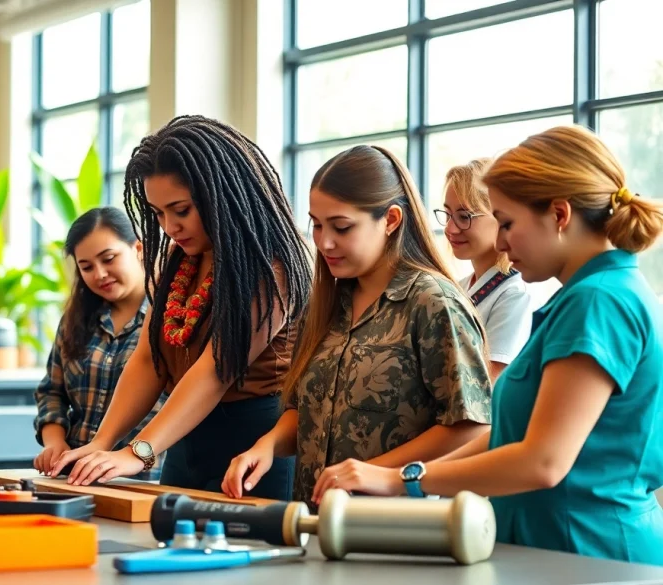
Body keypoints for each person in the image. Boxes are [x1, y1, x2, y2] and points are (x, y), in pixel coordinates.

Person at [312, 125, 663, 566]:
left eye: (507, 223)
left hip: (592, 553)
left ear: (559, 214)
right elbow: (508, 435)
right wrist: (397, 477)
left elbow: (543, 462)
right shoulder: (586, 297)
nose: (499, 242)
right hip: (551, 548)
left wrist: (406, 480)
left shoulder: (599, 301)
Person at [48, 115, 313, 500]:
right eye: (158, 214)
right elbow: (148, 359)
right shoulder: (178, 259)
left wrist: (138, 451)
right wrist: (102, 441)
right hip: (185, 439)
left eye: (181, 210)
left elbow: (214, 371)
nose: (170, 226)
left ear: (220, 193)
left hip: (253, 446)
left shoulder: (269, 265)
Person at [222, 145, 493, 507]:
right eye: (317, 225)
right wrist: (267, 446)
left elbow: (471, 427)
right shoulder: (326, 305)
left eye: (342, 227)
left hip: (396, 526)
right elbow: (303, 410)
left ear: (392, 220)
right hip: (317, 521)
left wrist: (378, 474)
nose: (324, 242)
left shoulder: (432, 302)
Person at [32, 207, 166, 480]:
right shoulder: (76, 319)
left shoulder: (170, 315)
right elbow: (51, 392)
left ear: (138, 249)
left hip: (144, 475)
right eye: (87, 267)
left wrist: (133, 456)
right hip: (74, 474)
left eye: (109, 259)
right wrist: (55, 443)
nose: (100, 274)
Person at [437, 158, 538, 378]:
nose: (450, 228)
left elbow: (488, 384)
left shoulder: (513, 294)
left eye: (464, 217)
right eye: (448, 215)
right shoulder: (461, 287)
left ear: (501, 217)